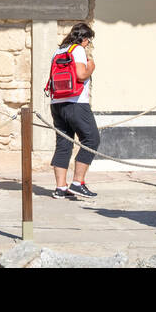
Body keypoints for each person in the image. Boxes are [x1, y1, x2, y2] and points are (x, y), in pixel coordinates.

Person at [48, 22, 100, 199]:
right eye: (88, 41)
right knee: (91, 139)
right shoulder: (77, 49)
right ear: (84, 38)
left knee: (64, 143)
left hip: (56, 103)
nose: (88, 44)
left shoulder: (59, 51)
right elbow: (81, 74)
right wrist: (91, 66)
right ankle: (78, 183)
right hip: (76, 102)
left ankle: (60, 187)